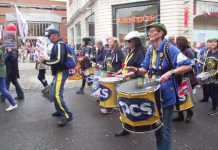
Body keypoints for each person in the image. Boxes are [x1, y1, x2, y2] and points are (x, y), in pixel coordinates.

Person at [125, 22, 192, 150]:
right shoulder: (151, 49)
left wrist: (170, 72)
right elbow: (144, 69)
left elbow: (188, 65)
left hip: (166, 93)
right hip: (153, 90)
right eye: (148, 31)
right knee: (156, 126)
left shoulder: (170, 48)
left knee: (164, 129)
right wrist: (134, 70)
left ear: (160, 33)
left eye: (152, 30)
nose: (149, 33)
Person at [114, 31, 145, 136]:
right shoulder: (131, 51)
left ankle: (134, 125)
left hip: (138, 80)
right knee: (128, 103)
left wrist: (128, 74)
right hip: (130, 79)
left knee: (134, 103)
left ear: (135, 41)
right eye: (127, 41)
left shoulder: (140, 52)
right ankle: (128, 126)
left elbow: (141, 69)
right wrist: (121, 71)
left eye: (129, 41)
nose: (127, 42)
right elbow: (127, 65)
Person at [39, 29, 73, 127]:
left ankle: (67, 115)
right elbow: (56, 60)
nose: (48, 38)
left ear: (54, 35)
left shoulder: (59, 45)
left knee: (56, 95)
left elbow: (59, 61)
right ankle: (60, 111)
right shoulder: (58, 44)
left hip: (61, 72)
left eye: (49, 36)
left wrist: (45, 61)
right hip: (59, 72)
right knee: (56, 94)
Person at [172, 36, 198, 122]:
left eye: (177, 41)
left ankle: (189, 112)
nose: (176, 43)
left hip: (186, 77)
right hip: (179, 76)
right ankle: (180, 115)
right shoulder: (180, 50)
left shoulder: (188, 51)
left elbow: (191, 65)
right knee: (179, 96)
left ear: (181, 42)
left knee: (186, 96)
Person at [100, 37, 125, 114]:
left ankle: (112, 107)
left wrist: (121, 70)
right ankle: (112, 106)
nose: (109, 43)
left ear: (115, 42)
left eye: (110, 42)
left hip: (117, 74)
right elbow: (107, 62)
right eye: (108, 42)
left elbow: (123, 61)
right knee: (111, 90)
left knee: (115, 91)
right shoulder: (109, 51)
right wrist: (103, 68)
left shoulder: (118, 50)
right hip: (110, 73)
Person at [0, 40, 18, 111]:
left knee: (3, 90)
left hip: (3, 72)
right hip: (3, 71)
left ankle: (13, 104)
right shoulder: (2, 49)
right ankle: (13, 103)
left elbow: (14, 58)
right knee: (3, 89)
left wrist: (10, 52)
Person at [203, 38, 218, 115]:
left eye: (215, 42)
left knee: (214, 92)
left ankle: (214, 108)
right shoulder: (209, 52)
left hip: (216, 77)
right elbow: (206, 63)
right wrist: (204, 73)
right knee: (209, 92)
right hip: (208, 75)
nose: (213, 43)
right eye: (211, 42)